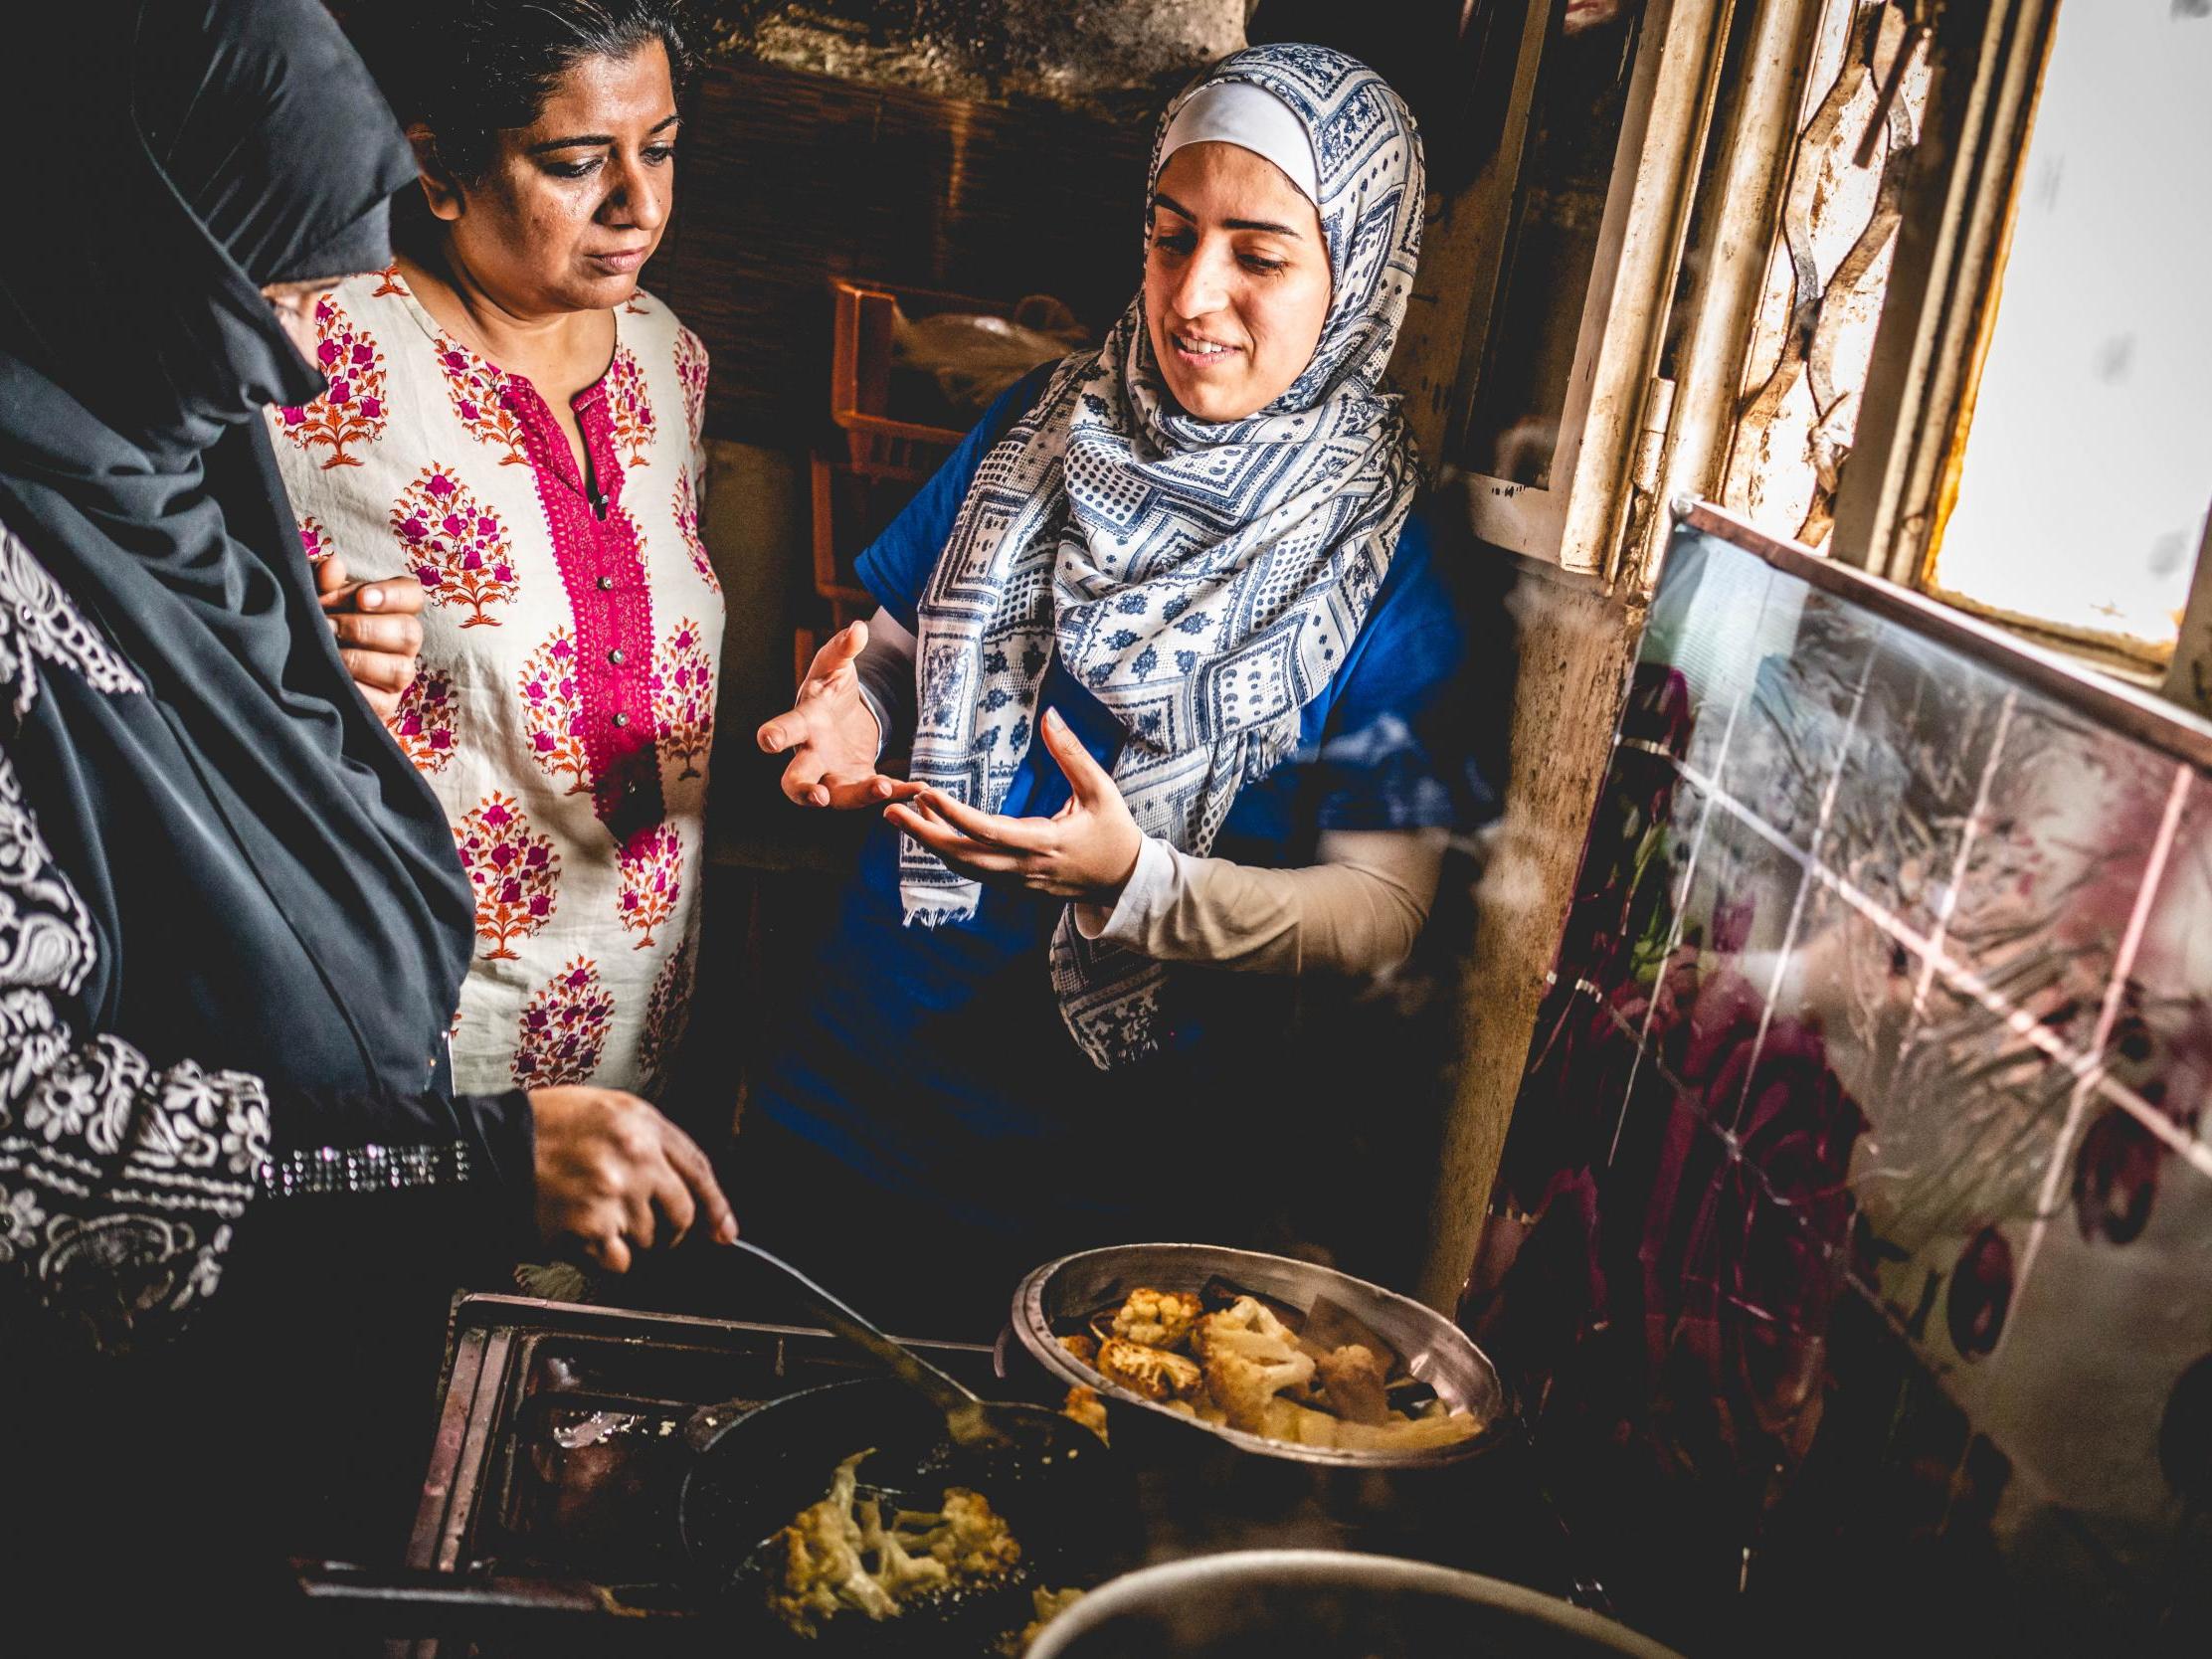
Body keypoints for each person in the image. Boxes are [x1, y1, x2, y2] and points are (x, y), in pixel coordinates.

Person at [0, 0, 731, 1622]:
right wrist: (456, 1159)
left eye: (661, 151)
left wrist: (295, 641)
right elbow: (21, 1141)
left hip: (409, 1185)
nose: (265, 355)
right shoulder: (246, 396)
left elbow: (210, 680)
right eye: (573, 159)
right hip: (145, 1377)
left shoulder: (144, 460)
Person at [749, 45, 1479, 1333]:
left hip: (1099, 1177)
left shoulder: (1390, 569)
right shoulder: (1042, 421)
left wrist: (1133, 885)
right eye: (1168, 235)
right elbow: (896, 650)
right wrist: (844, 708)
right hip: (862, 1077)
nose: (1195, 295)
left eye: (1259, 255)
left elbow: (1379, 910)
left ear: (1362, 272)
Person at [275, 0, 720, 1100]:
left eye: (659, 149)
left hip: (637, 1027)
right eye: (577, 164)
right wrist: (290, 647)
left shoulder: (672, 362)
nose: (641, 204)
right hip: (409, 1033)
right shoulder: (303, 350)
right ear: (439, 171)